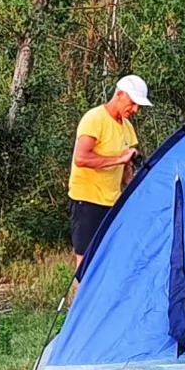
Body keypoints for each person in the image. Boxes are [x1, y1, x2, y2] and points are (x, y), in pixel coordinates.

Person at [69, 74, 152, 269]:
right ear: (120, 94)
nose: (135, 109)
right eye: (133, 103)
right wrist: (118, 159)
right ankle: (81, 291)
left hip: (112, 202)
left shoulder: (127, 127)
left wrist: (138, 191)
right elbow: (81, 158)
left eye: (138, 106)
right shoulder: (94, 119)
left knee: (109, 258)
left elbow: (126, 169)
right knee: (85, 263)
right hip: (87, 201)